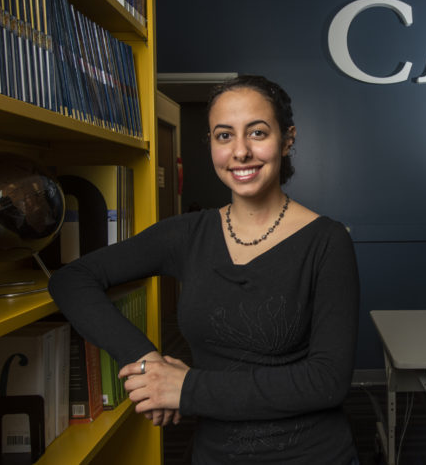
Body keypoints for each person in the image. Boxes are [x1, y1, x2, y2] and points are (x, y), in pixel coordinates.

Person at [48, 75, 361, 464]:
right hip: (214, 454)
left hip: (312, 454)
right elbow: (71, 280)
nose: (241, 151)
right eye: (224, 135)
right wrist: (150, 365)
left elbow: (327, 382)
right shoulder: (186, 234)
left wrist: (187, 388)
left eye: (258, 132)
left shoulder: (328, 241)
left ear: (288, 139)